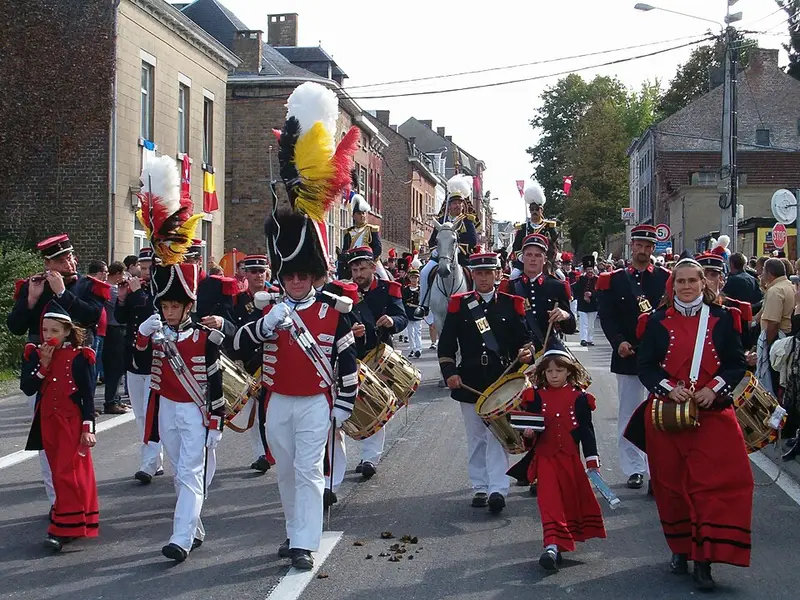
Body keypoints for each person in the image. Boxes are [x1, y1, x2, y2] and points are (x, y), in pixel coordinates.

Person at [235, 80, 361, 570]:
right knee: (286, 473)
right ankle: (293, 533)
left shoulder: (334, 309)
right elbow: (243, 347)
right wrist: (265, 327)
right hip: (278, 401)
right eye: (290, 274)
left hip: (315, 403)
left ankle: (306, 541)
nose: (296, 280)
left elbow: (344, 357)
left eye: (303, 274)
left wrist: (343, 406)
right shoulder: (269, 309)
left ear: (315, 274)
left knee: (309, 472)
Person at [626, 258, 752, 592]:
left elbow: (736, 364)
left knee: (714, 487)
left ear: (703, 283)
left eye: (692, 280)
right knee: (672, 486)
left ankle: (705, 560)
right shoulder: (654, 322)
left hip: (712, 415)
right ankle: (681, 549)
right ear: (672, 286)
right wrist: (670, 388)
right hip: (669, 417)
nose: (686, 286)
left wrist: (714, 389)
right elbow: (646, 366)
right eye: (679, 281)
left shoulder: (724, 319)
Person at [134, 154, 224, 562]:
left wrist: (217, 421)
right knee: (178, 474)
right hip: (167, 407)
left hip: (197, 411)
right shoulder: (156, 332)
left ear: (187, 306)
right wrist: (141, 334)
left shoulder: (206, 336)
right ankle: (195, 526)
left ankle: (180, 539)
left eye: (175, 307)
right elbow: (138, 365)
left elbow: (217, 380)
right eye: (165, 307)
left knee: (190, 473)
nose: (169, 312)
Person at [7, 234, 108, 506]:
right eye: (62, 260)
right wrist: (30, 299)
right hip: (41, 367)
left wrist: (63, 293)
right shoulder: (34, 287)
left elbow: (93, 317)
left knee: (75, 438)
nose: (71, 263)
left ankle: (77, 498)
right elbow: (15, 327)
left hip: (73, 371)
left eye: (71, 257)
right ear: (48, 263)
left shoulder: (87, 286)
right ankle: (57, 502)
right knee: (46, 439)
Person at [438, 252, 533, 513]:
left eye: (488, 273)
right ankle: (479, 486)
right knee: (476, 437)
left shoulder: (511, 304)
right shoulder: (459, 304)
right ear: (472, 275)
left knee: (498, 436)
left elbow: (525, 342)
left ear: (497, 275)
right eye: (478, 273)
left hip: (501, 380)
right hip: (470, 379)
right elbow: (446, 345)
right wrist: (449, 373)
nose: (483, 278)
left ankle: (498, 489)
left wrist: (527, 354)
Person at [510, 338, 605, 571]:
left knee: (570, 501)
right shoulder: (535, 397)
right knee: (549, 501)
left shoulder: (580, 398)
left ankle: (562, 543)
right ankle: (551, 546)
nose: (554, 375)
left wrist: (592, 460)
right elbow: (528, 430)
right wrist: (529, 433)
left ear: (568, 371)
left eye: (559, 370)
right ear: (543, 373)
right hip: (545, 459)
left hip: (570, 459)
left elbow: (586, 431)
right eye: (549, 371)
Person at [22, 301, 99, 552]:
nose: (48, 336)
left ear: (66, 331)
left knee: (69, 472)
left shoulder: (80, 356)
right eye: (45, 330)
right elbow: (28, 388)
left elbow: (88, 395)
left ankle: (62, 529)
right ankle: (75, 519)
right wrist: (43, 366)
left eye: (54, 331)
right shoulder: (34, 353)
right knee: (58, 473)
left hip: (72, 422)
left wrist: (88, 428)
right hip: (48, 421)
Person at [597, 224, 669, 490]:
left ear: (653, 249)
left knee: (658, 413)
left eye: (648, 246)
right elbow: (607, 316)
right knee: (628, 413)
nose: (643, 250)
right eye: (639, 245)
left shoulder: (665, 277)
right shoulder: (614, 279)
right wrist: (618, 342)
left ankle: (656, 468)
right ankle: (634, 468)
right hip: (628, 353)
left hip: (658, 357)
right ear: (632, 246)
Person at [347, 246, 409, 479]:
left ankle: (370, 458)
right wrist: (349, 330)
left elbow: (403, 318)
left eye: (362, 268)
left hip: (378, 352)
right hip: (352, 354)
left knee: (375, 403)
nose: (358, 274)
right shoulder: (344, 291)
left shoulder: (389, 289)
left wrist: (392, 320)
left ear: (373, 267)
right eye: (354, 269)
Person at [116, 247, 164, 484]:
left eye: (149, 269)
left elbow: (153, 316)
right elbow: (122, 318)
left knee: (152, 413)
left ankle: (149, 463)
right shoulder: (138, 290)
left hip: (155, 360)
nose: (144, 273)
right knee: (140, 414)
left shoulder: (162, 289)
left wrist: (134, 295)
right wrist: (123, 298)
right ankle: (156, 459)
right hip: (134, 358)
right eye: (142, 268)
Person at [230, 254, 278, 472]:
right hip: (249, 365)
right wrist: (237, 359)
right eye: (253, 271)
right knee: (255, 414)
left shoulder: (278, 298)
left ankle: (274, 452)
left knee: (273, 414)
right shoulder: (237, 301)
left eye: (262, 271)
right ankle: (261, 454)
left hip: (274, 364)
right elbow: (232, 332)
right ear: (245, 274)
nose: (258, 275)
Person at [499, 233, 575, 352]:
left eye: (538, 255)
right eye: (529, 255)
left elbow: (570, 328)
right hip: (519, 353)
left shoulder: (557, 286)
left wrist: (565, 315)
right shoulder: (510, 287)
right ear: (522, 258)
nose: (533, 259)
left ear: (545, 259)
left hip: (547, 353)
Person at [417, 174, 479, 316]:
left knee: (474, 276)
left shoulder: (467, 221)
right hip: (441, 256)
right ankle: (423, 305)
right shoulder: (441, 220)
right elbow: (432, 241)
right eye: (454, 203)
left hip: (462, 259)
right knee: (425, 272)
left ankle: (475, 303)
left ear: (463, 205)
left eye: (460, 203)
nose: (457, 205)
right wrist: (435, 250)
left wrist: (456, 249)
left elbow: (472, 242)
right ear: (449, 205)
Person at [757, 258, 795, 395]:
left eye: (762, 272)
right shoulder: (791, 286)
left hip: (778, 343)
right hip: (789, 342)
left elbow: (773, 323)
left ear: (769, 274)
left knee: (772, 382)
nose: (760, 274)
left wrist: (767, 346)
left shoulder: (775, 290)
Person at [510, 181, 559, 279]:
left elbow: (555, 244)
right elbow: (516, 247)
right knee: (513, 276)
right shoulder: (523, 228)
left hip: (544, 260)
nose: (534, 212)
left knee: (561, 277)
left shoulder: (549, 226)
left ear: (541, 210)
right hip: (526, 260)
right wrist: (522, 257)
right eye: (532, 209)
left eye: (537, 209)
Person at [101, 262, 131, 415]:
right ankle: (110, 401)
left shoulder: (113, 288)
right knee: (115, 368)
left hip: (117, 329)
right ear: (118, 274)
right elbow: (122, 304)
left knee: (119, 368)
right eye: (124, 274)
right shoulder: (111, 290)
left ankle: (116, 399)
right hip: (114, 330)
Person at [339, 192, 383, 279]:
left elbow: (377, 248)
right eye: (359, 213)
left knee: (384, 278)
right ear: (353, 216)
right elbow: (345, 249)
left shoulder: (372, 229)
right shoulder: (348, 232)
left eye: (363, 213)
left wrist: (369, 260)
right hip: (353, 262)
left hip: (370, 261)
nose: (362, 216)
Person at [573, 255, 599, 347]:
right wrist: (583, 295)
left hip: (593, 305)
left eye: (591, 269)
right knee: (583, 323)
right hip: (583, 304)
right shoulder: (580, 279)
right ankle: (583, 339)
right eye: (588, 270)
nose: (590, 271)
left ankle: (590, 339)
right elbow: (576, 289)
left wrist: (592, 294)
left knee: (591, 324)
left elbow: (600, 292)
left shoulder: (597, 280)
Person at [403, 268, 424, 358]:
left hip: (417, 312)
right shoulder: (406, 289)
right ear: (409, 278)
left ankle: (418, 349)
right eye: (412, 278)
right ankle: (412, 349)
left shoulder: (421, 289)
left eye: (416, 278)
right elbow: (403, 301)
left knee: (417, 331)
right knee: (410, 332)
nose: (414, 280)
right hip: (408, 312)